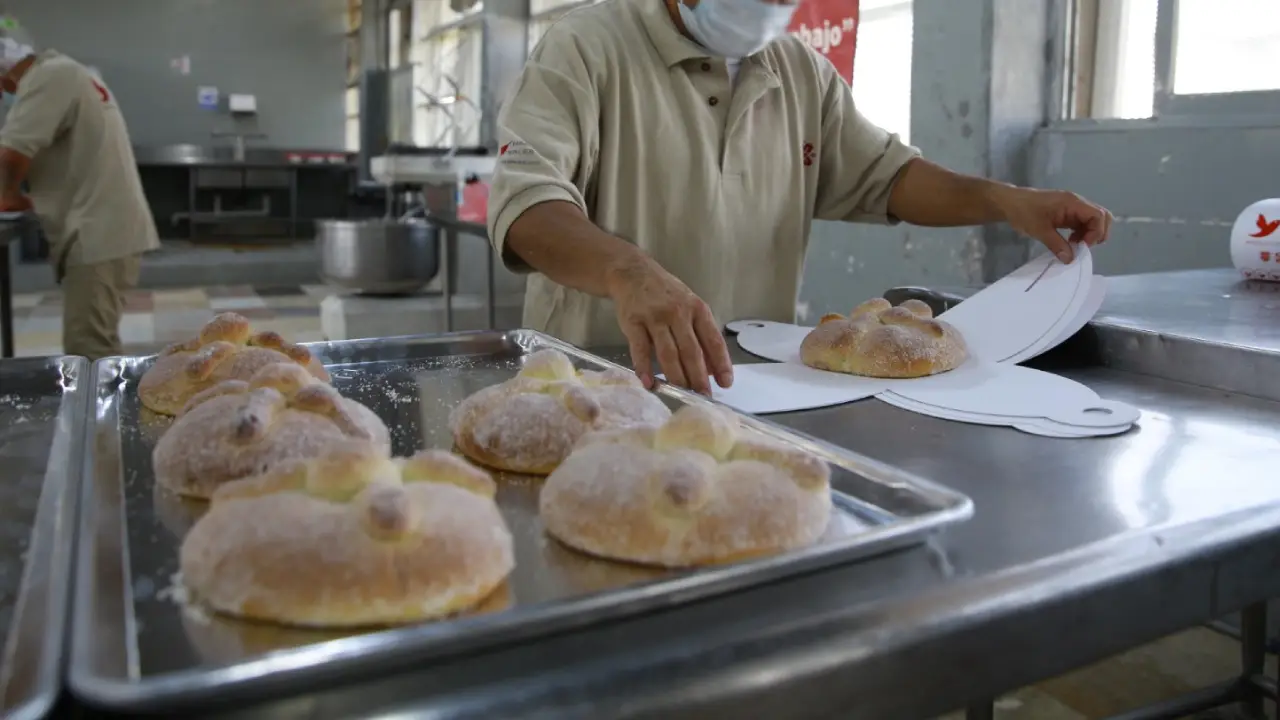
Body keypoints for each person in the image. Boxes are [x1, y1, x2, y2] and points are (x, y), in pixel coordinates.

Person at [487, 0, 1113, 395]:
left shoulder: (799, 72)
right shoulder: (588, 46)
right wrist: (629, 273)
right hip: (593, 378)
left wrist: (1006, 200)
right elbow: (527, 207)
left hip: (745, 386)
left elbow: (889, 176)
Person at [0, 30, 159, 361]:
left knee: (89, 352)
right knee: (94, 342)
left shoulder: (47, 76)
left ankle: (101, 413)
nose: (5, 94)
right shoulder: (67, 71)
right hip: (108, 228)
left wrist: (7, 194)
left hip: (96, 232)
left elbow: (11, 153)